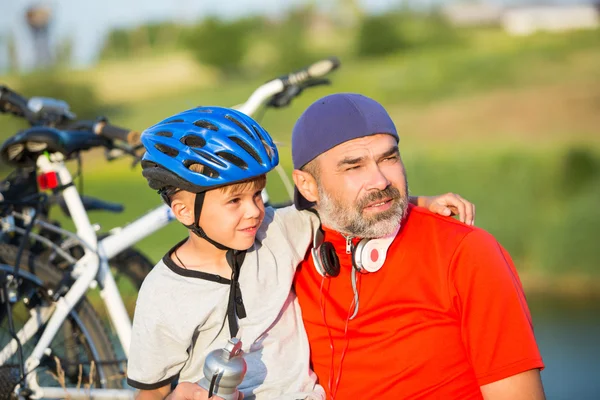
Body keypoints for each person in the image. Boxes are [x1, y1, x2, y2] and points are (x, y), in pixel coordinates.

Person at [128, 106, 475, 400]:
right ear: (185, 211)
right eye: (235, 201)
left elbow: (351, 206)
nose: (253, 211)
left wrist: (422, 203)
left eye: (257, 195)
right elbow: (151, 392)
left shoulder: (278, 231)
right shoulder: (163, 294)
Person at [291, 93, 545, 399]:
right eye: (353, 167)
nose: (381, 181)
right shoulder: (289, 251)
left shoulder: (466, 252)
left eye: (389, 158)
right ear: (307, 185)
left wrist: (419, 205)